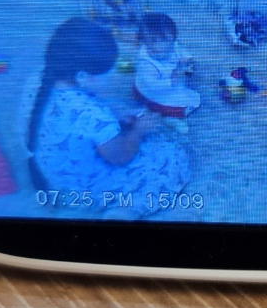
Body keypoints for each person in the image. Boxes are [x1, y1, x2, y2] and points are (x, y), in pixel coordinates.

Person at [28, 17, 189, 215]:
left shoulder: (38, 80)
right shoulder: (96, 116)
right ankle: (122, 212)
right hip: (84, 188)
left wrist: (115, 114)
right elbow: (121, 157)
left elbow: (70, 114)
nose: (111, 77)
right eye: (107, 73)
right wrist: (137, 132)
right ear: (83, 77)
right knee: (172, 158)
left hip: (52, 170)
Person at [134, 13, 201, 119]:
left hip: (173, 78)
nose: (166, 50)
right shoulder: (147, 64)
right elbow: (152, 85)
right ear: (145, 43)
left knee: (188, 81)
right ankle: (170, 114)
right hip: (155, 91)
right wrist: (171, 80)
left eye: (169, 46)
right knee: (187, 102)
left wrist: (187, 59)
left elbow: (179, 49)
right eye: (156, 50)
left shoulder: (171, 44)